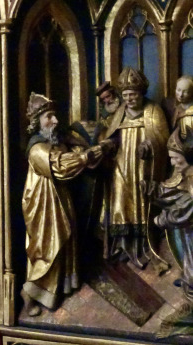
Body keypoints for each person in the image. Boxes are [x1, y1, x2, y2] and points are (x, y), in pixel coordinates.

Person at [21, 93, 104, 316]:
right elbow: (59, 167)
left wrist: (86, 151)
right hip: (43, 204)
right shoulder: (37, 148)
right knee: (49, 246)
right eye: (49, 117)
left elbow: (71, 152)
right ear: (37, 121)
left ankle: (58, 289)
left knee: (66, 239)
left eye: (55, 115)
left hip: (59, 198)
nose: (55, 120)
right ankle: (30, 293)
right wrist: (85, 157)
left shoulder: (54, 141)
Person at [102, 67, 169, 268]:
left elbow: (162, 138)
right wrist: (109, 144)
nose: (129, 99)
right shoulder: (120, 113)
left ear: (141, 93)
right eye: (125, 95)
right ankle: (122, 246)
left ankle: (142, 246)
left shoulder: (153, 110)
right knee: (120, 202)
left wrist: (149, 145)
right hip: (121, 165)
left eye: (133, 95)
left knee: (141, 202)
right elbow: (113, 135)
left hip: (143, 166)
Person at [145, 130, 193, 300]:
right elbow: (177, 196)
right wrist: (155, 191)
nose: (172, 163)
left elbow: (185, 210)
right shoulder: (187, 177)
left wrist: (162, 219)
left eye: (175, 158)